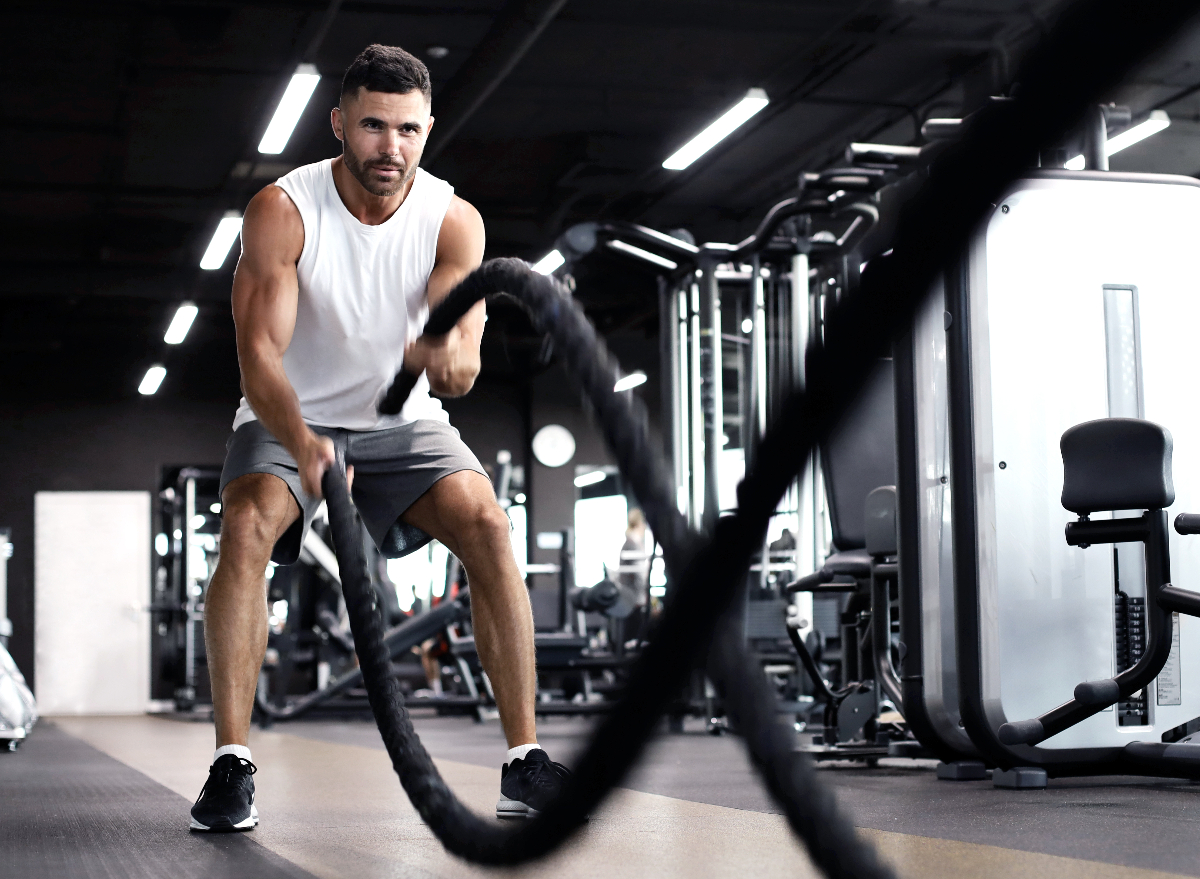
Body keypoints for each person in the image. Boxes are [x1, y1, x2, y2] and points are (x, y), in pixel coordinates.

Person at [189, 44, 567, 832]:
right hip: (290, 411)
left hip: (403, 421)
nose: (389, 148)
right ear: (338, 124)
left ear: (427, 130)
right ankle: (231, 763)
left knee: (489, 524)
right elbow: (259, 356)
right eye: (371, 126)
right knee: (246, 524)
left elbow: (458, 367)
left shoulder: (452, 218)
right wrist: (307, 442)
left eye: (407, 130)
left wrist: (454, 356)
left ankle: (523, 759)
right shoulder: (283, 210)